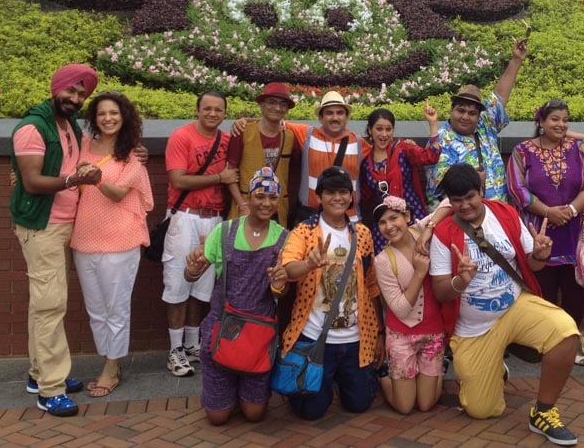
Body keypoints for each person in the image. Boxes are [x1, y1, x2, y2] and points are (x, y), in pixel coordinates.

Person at [429, 164, 582, 445]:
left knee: (565, 331)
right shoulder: (443, 232)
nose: (464, 206)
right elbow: (440, 292)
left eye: (470, 197)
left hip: (514, 306)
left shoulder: (504, 213)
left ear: (481, 192)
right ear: (449, 201)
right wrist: (461, 281)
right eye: (457, 200)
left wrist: (540, 255)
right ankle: (495, 367)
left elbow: (532, 265)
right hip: (473, 328)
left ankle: (543, 412)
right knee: (481, 410)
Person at [9, 64, 101, 417]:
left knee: (43, 303)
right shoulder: (33, 127)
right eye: (71, 91)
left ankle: (39, 375)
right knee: (50, 305)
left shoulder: (68, 126)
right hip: (41, 225)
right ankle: (50, 390)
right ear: (56, 88)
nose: (76, 98)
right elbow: (32, 181)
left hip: (62, 224)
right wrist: (74, 182)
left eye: (81, 94)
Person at [184, 167, 290, 425]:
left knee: (254, 415)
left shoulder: (284, 238)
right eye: (260, 196)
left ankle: (244, 392)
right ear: (249, 197)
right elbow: (192, 276)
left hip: (259, 332)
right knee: (217, 418)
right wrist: (192, 269)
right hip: (222, 326)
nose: (266, 203)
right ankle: (225, 391)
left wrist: (279, 284)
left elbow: (282, 291)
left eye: (272, 197)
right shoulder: (225, 231)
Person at [279, 166, 384, 420]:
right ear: (319, 196)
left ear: (351, 196)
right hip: (316, 338)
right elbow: (288, 268)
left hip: (355, 337)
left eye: (343, 192)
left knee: (359, 404)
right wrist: (308, 265)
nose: (337, 198)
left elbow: (371, 285)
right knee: (310, 411)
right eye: (330, 192)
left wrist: (380, 331)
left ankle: (342, 379)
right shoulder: (304, 232)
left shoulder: (362, 233)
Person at [69, 91, 153, 397]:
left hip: (121, 241)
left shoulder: (132, 154)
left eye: (114, 113)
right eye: (102, 113)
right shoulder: (84, 145)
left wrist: (96, 178)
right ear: (94, 118)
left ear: (124, 116)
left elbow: (118, 194)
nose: (108, 118)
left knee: (116, 308)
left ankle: (112, 367)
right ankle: (108, 360)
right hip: (84, 239)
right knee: (96, 309)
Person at [507, 99, 584, 366]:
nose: (561, 124)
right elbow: (517, 189)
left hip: (574, 231)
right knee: (541, 288)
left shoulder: (580, 149)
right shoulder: (522, 151)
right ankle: (544, 342)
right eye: (555, 119)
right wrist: (549, 212)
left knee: (575, 290)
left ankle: (572, 343)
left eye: (565, 120)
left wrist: (569, 211)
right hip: (538, 231)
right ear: (542, 122)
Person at [162, 91, 239, 377]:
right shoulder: (181, 137)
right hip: (185, 217)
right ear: (197, 110)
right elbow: (178, 179)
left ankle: (192, 344)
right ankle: (174, 349)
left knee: (203, 285)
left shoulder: (227, 140)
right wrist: (218, 178)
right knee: (178, 284)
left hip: (214, 219)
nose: (212, 114)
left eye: (218, 110)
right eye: (207, 108)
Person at [426, 39, 527, 208]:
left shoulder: (484, 125)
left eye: (472, 113)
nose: (466, 116)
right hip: (466, 220)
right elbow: (437, 187)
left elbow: (500, 97)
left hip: (499, 214)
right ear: (451, 110)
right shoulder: (440, 141)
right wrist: (470, 178)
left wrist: (516, 61)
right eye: (461, 110)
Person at [373, 195, 446, 414]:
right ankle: (384, 377)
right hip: (401, 335)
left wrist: (430, 227)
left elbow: (449, 202)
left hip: (433, 332)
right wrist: (420, 273)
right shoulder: (383, 260)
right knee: (405, 407)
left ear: (406, 217)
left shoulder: (421, 231)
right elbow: (401, 309)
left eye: (394, 218)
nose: (389, 226)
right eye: (383, 223)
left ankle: (438, 370)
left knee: (425, 405)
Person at [360, 104, 441, 249]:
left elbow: (431, 157)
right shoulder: (366, 162)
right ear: (370, 130)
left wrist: (433, 123)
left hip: (412, 217)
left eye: (388, 129)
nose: (384, 134)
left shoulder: (403, 149)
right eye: (379, 129)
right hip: (385, 227)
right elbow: (366, 197)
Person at [226, 82, 300, 227]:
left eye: (282, 104)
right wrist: (242, 205)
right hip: (247, 207)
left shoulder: (290, 137)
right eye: (271, 102)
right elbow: (230, 174)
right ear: (262, 105)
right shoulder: (242, 133)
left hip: (277, 210)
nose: (277, 108)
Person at [284, 91, 363, 224]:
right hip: (311, 219)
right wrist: (244, 122)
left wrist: (409, 145)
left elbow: (384, 152)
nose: (335, 117)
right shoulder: (306, 134)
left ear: (346, 117)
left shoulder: (359, 143)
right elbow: (274, 123)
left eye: (340, 113)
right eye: (329, 113)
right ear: (321, 118)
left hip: (349, 220)